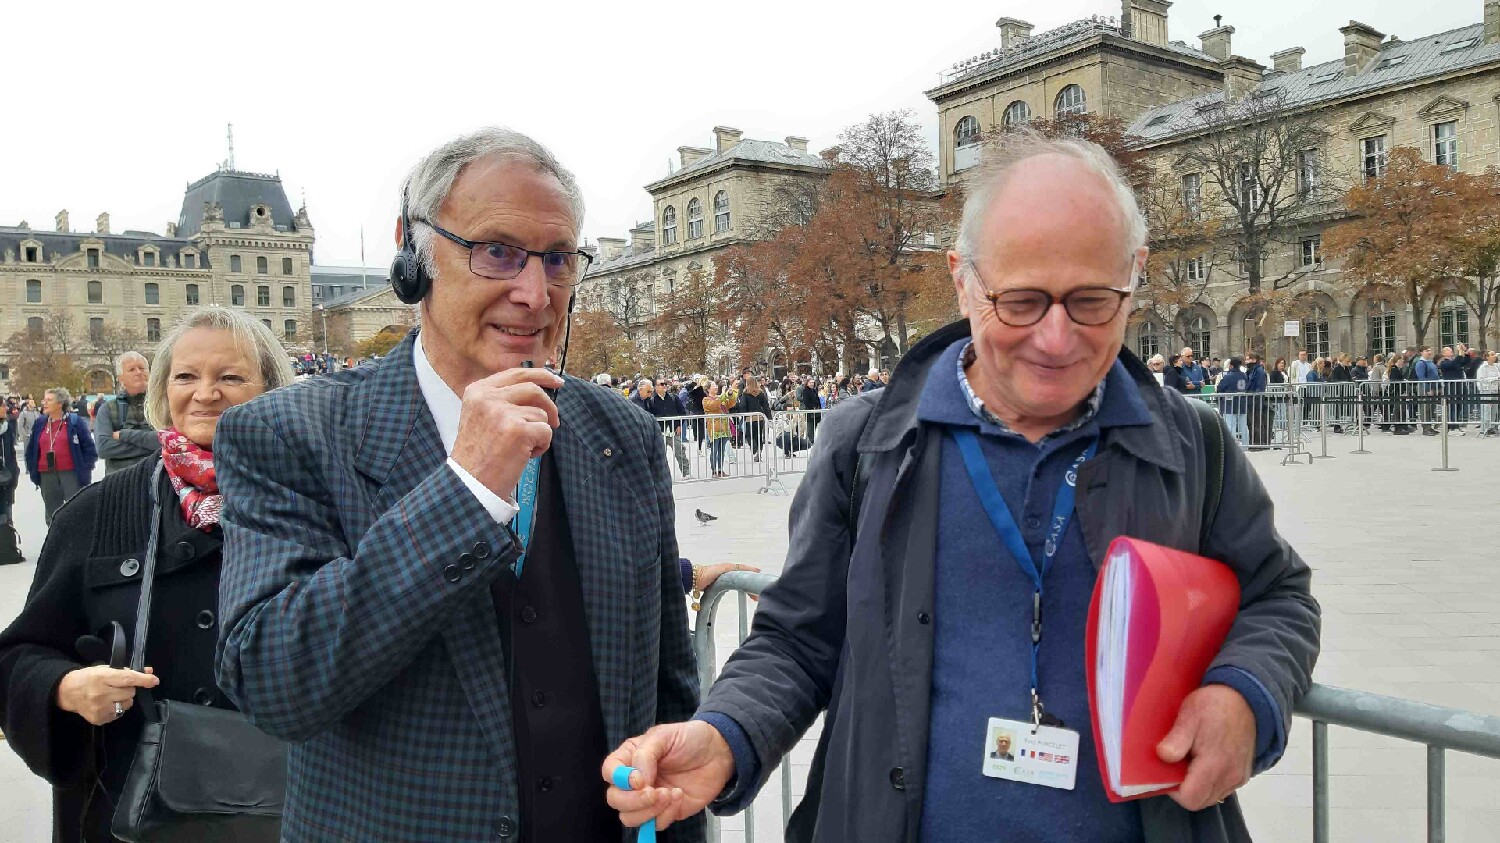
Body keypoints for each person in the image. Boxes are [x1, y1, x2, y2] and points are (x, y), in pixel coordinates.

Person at [603, 131, 1319, 842]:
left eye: (1092, 300)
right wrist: (726, 732)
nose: (1056, 337)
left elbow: (1279, 596)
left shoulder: (1193, 445)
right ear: (963, 280)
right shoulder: (867, 443)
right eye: (1022, 301)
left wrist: (1246, 694)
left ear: (1135, 274)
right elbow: (800, 638)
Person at [213, 128, 702, 842]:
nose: (535, 293)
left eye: (558, 258)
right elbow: (275, 683)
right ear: (413, 257)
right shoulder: (290, 432)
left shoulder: (622, 434)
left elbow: (667, 697)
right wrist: (466, 490)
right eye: (497, 251)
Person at [0, 307, 296, 842]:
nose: (205, 394)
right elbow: (18, 656)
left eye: (231, 377)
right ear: (163, 389)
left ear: (272, 388)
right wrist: (64, 688)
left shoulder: (319, 504)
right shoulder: (95, 514)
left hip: (291, 809)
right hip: (130, 808)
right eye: (186, 376)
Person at [26, 387, 98, 526]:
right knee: (52, 513)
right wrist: (31, 467)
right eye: (44, 400)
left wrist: (85, 467)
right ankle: (55, 538)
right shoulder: (40, 423)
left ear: (60, 404)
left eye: (49, 400)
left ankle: (77, 538)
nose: (44, 403)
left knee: (75, 510)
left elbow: (89, 448)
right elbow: (31, 449)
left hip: (71, 473)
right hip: (46, 474)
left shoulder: (75, 422)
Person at [93, 351, 160, 476]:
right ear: (121, 378)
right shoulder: (107, 409)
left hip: (157, 477)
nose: (138, 372)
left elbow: (170, 440)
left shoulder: (162, 405)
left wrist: (124, 435)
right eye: (132, 369)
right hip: (121, 479)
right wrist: (151, 443)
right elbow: (104, 448)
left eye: (142, 368)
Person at [701, 380, 737, 478]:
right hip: (714, 428)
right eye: (713, 386)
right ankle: (713, 471)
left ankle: (720, 470)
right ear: (708, 389)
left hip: (724, 427)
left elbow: (731, 404)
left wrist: (730, 394)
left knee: (722, 450)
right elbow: (714, 405)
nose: (716, 387)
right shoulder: (705, 400)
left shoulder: (720, 398)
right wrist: (723, 395)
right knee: (714, 450)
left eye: (716, 385)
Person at [736, 375, 773, 461]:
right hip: (760, 417)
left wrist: (742, 414)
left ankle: (755, 450)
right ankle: (759, 452)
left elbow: (743, 406)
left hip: (749, 418)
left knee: (749, 435)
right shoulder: (761, 393)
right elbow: (766, 406)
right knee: (758, 436)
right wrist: (769, 417)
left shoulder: (745, 393)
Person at [1218, 356, 1248, 446]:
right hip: (1242, 403)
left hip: (1229, 404)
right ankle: (1246, 444)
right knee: (1244, 426)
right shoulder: (1244, 376)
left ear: (1231, 365)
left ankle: (1232, 446)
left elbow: (1220, 388)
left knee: (1230, 426)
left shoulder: (1228, 376)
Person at [1244, 352, 1271, 450]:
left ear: (1254, 360)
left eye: (1248, 359)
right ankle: (1254, 443)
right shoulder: (1251, 370)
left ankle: (1258, 443)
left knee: (1256, 422)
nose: (1246, 361)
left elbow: (1259, 386)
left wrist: (1256, 397)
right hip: (1251, 399)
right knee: (1252, 422)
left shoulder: (1258, 371)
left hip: (1255, 399)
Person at [1477, 351, 1500, 436]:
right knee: (1487, 409)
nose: (1494, 356)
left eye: (1494, 355)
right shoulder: (1483, 367)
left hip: (1495, 390)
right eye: (1492, 355)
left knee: (1494, 410)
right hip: (1486, 390)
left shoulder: (1495, 366)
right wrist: (1495, 378)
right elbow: (1481, 379)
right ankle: (1485, 427)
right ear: (1487, 357)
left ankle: (1492, 427)